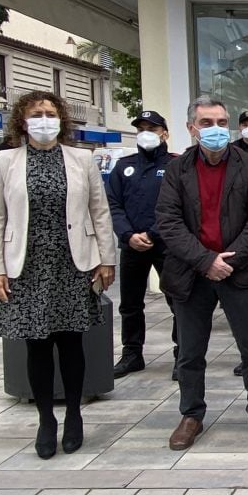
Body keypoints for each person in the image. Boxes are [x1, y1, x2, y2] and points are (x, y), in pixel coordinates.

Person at [0, 91, 116, 460]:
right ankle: (46, 419)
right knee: (36, 345)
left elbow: (99, 211)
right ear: (23, 121)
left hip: (72, 262)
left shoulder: (81, 159)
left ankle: (74, 413)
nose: (45, 120)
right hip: (25, 267)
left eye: (50, 113)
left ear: (61, 119)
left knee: (72, 343)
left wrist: (106, 259)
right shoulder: (5, 161)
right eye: (37, 114)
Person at [156, 96, 248, 451]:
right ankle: (191, 414)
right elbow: (168, 221)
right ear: (191, 128)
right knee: (190, 352)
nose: (216, 130)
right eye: (207, 123)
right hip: (192, 274)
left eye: (222, 123)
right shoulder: (177, 170)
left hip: (239, 273)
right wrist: (204, 260)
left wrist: (229, 259)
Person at [107, 110, 179, 380]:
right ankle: (132, 353)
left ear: (165, 134)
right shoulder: (124, 166)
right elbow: (113, 205)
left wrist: (153, 233)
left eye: (153, 128)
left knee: (177, 300)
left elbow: (179, 206)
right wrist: (127, 235)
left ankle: (181, 354)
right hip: (132, 245)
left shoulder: (176, 165)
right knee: (130, 303)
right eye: (141, 128)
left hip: (166, 243)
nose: (146, 133)